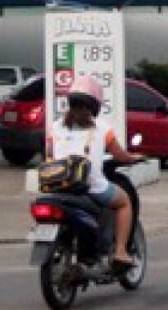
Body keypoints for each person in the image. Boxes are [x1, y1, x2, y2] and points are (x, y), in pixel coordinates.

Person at [45, 75, 143, 272]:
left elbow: (49, 155)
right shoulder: (102, 128)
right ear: (95, 105)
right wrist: (133, 158)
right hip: (91, 187)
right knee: (125, 202)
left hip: (58, 185)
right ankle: (121, 251)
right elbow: (119, 155)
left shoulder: (55, 126)